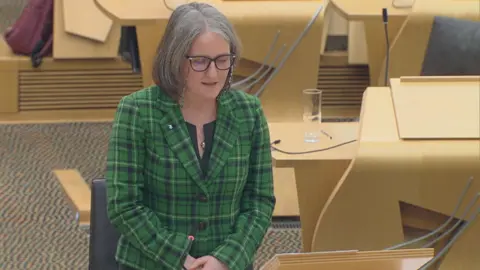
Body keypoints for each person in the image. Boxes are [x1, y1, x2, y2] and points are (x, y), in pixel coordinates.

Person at [105, 2, 276, 270]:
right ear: (174, 58)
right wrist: (181, 259)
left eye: (222, 60)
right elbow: (124, 205)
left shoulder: (249, 112)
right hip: (154, 263)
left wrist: (225, 259)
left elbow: (259, 202)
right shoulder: (137, 111)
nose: (213, 73)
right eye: (200, 61)